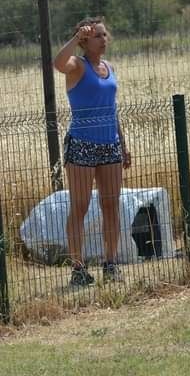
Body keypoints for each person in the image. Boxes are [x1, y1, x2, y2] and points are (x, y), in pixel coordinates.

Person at [53, 17, 131, 286]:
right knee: (80, 206)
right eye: (98, 35)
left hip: (110, 145)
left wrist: (123, 143)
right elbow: (58, 63)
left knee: (111, 205)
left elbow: (112, 108)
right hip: (82, 145)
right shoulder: (77, 66)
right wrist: (75, 39)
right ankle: (78, 268)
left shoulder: (109, 67)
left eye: (105, 34)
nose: (104, 39)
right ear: (86, 40)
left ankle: (110, 264)